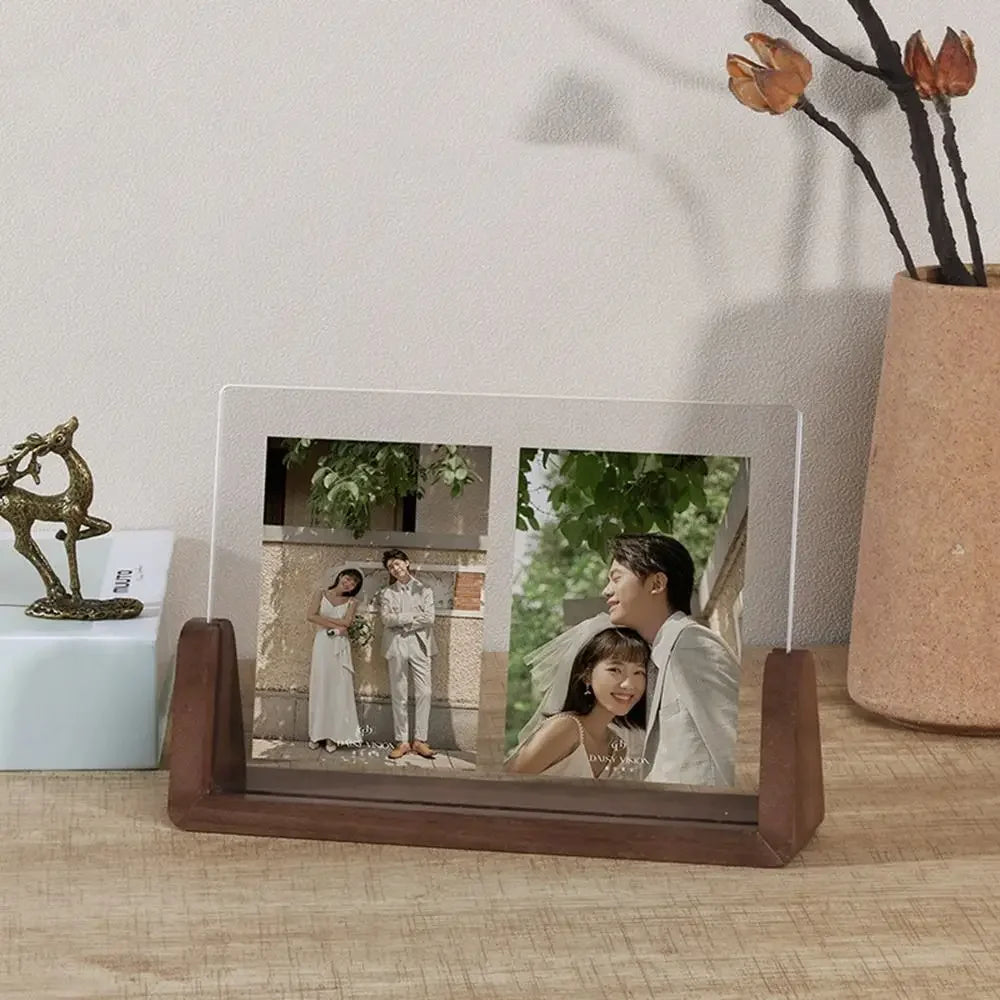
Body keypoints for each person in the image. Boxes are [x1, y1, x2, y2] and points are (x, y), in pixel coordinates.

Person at [602, 533, 741, 787]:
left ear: (656, 584)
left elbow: (736, 744)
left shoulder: (693, 646)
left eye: (616, 578)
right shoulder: (660, 654)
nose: (606, 590)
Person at [504, 626, 648, 779]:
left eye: (638, 672)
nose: (629, 684)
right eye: (615, 670)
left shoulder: (618, 748)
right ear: (587, 675)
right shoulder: (566, 729)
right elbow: (501, 784)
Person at [377, 548, 437, 760]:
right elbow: (386, 619)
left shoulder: (425, 590)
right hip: (396, 644)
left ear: (407, 563)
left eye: (398, 564)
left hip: (421, 644)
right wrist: (412, 617)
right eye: (391, 567)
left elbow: (430, 618)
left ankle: (420, 740)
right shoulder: (387, 593)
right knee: (399, 693)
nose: (395, 568)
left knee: (425, 692)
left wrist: (402, 619)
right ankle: (402, 741)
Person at [305, 565, 364, 751]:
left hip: (340, 645)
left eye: (353, 583)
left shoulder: (352, 602)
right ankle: (316, 734)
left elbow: (347, 623)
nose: (348, 583)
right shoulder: (321, 594)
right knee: (321, 685)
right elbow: (310, 616)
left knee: (338, 688)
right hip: (323, 643)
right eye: (347, 578)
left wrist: (337, 625)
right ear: (340, 576)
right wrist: (337, 625)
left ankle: (333, 736)